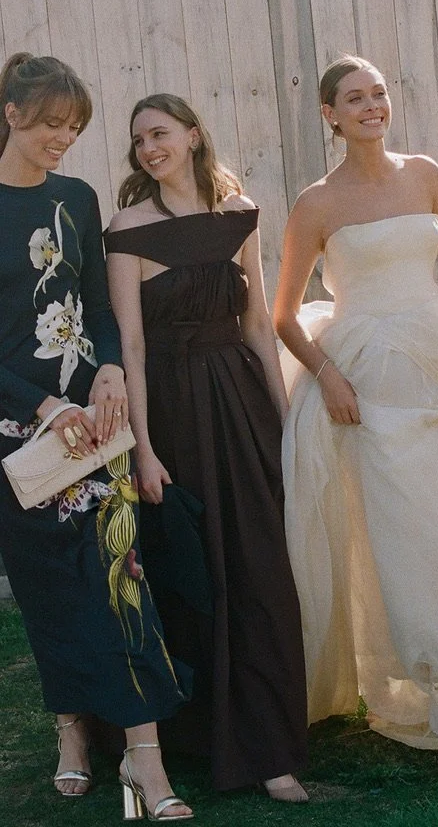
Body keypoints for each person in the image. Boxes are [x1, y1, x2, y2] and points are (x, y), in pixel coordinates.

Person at [274, 54, 438, 774]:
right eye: (355, 99)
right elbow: (284, 315)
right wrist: (326, 377)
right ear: (330, 114)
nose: (371, 107)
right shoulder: (316, 203)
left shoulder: (423, 174)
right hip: (369, 381)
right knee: (402, 540)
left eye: (380, 94)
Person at [0, 54, 193, 819]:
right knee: (49, 590)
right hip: (21, 430)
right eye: (51, 123)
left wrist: (110, 369)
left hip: (96, 424)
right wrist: (43, 407)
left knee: (121, 579)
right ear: (11, 113)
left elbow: (98, 306)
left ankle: (146, 763)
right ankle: (71, 734)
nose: (63, 139)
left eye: (73, 127)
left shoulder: (77, 199)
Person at [104, 94, 308, 800]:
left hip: (241, 403)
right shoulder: (126, 228)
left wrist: (285, 424)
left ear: (192, 135)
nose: (148, 149)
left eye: (159, 134)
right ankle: (201, 741)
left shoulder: (239, 214)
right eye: (138, 142)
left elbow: (255, 324)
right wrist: (142, 447)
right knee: (194, 574)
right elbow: (129, 344)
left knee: (260, 569)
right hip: (173, 412)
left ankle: (272, 745)